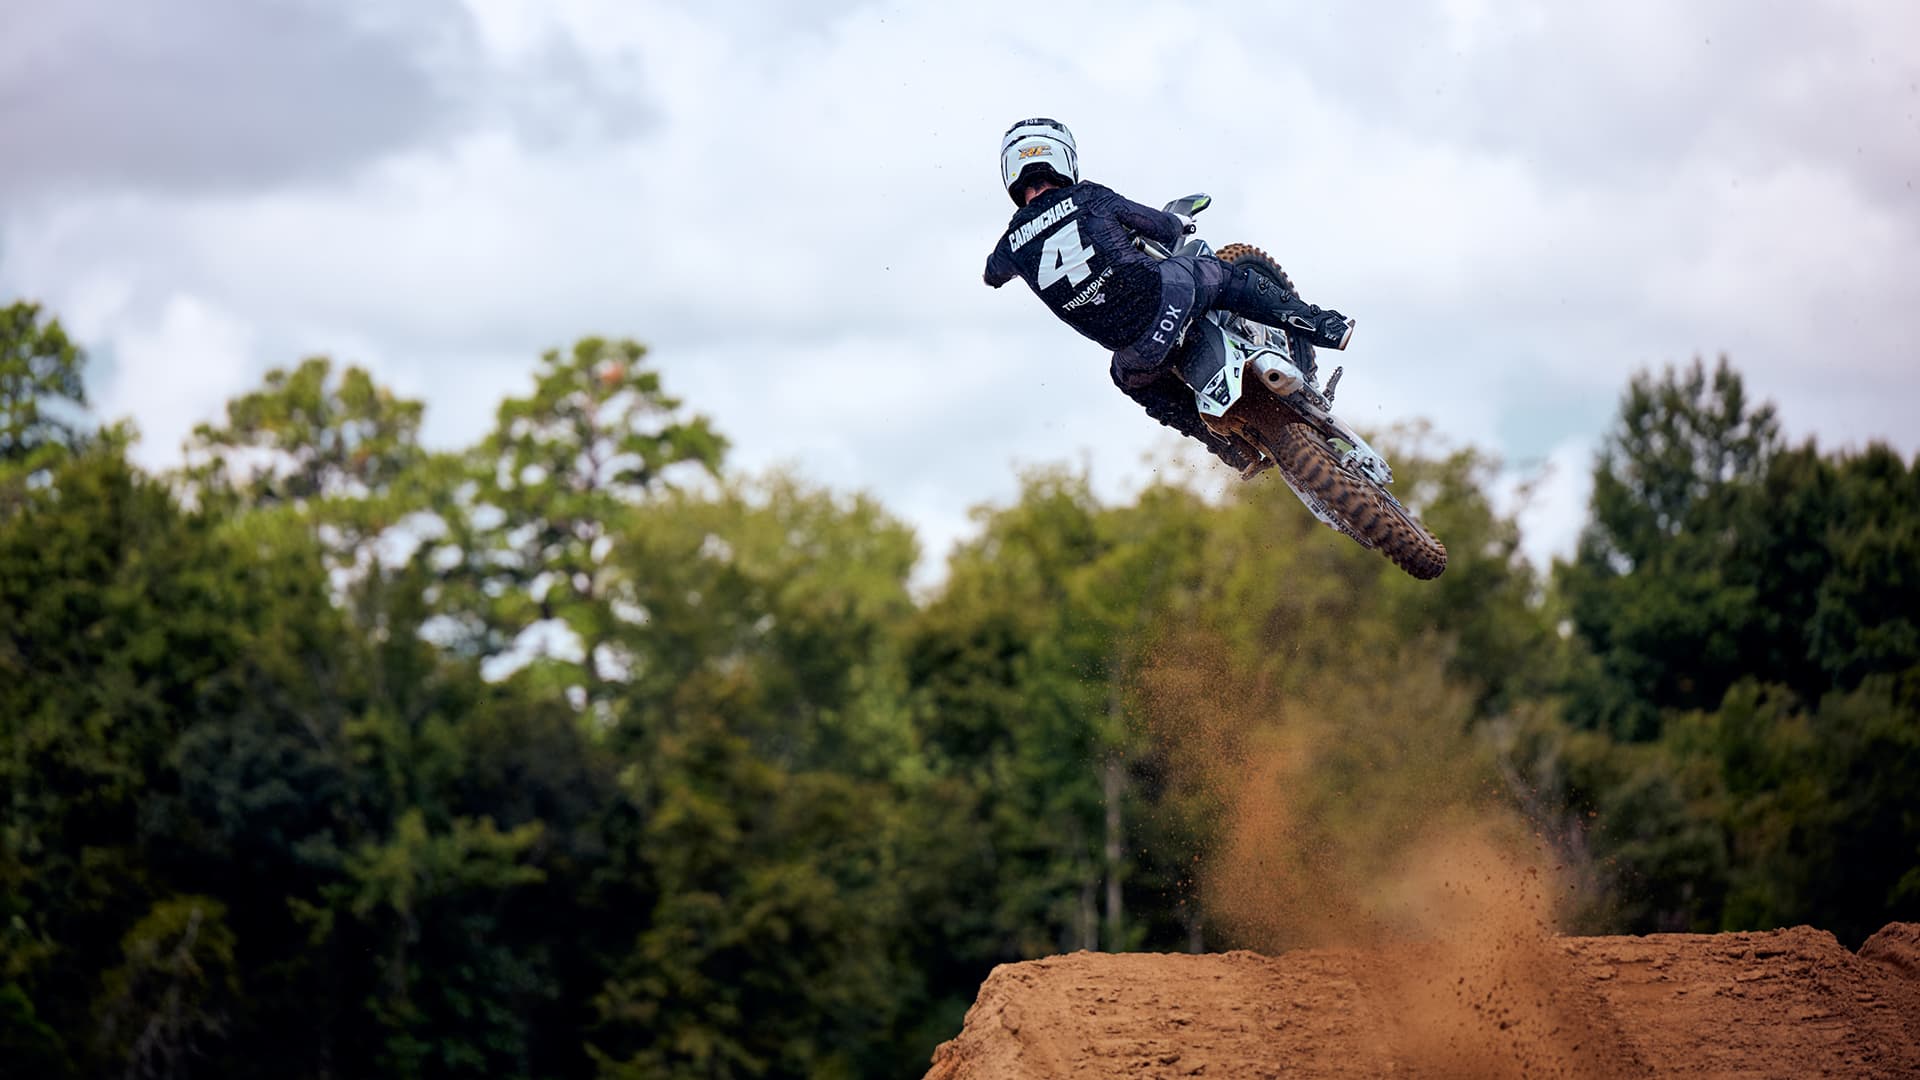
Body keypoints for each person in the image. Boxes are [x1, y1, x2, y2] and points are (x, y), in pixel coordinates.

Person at [983, 118, 1354, 476]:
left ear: (1011, 174)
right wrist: (1177, 223)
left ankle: (1230, 450)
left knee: (1128, 380)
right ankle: (1326, 327)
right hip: (1169, 299)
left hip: (1138, 351)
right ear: (1063, 158)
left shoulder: (1008, 248)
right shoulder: (1089, 196)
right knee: (1222, 275)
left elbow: (991, 275)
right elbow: (1159, 227)